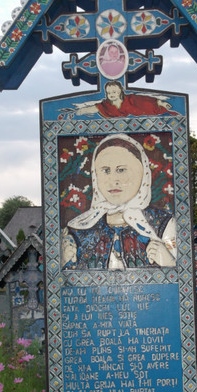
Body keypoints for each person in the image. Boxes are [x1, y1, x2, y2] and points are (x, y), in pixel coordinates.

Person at [61, 133, 177, 270]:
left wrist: (170, 263)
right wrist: (63, 261)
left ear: (142, 172)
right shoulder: (78, 229)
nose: (113, 180)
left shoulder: (162, 225)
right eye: (105, 171)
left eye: (121, 170)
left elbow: (180, 281)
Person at [75, 81, 180, 118]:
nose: (111, 95)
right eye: (109, 92)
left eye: (114, 92)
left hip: (145, 114)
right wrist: (83, 110)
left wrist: (161, 102)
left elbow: (145, 100)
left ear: (120, 91)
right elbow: (95, 108)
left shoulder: (131, 99)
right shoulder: (106, 105)